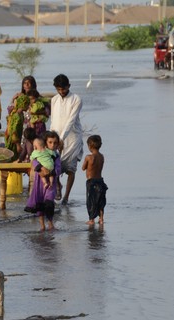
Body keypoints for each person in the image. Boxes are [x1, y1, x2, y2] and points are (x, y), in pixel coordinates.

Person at [49, 74, 84, 205]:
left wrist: (62, 138)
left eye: (63, 89)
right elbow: (53, 120)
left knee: (70, 169)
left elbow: (71, 120)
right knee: (54, 166)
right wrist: (53, 138)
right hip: (56, 139)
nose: (61, 92)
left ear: (69, 86)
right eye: (58, 89)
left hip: (72, 139)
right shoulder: (54, 100)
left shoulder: (76, 99)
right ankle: (57, 186)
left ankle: (66, 197)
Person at [82, 134, 108, 227]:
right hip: (100, 181)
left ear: (89, 146)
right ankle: (101, 219)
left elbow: (83, 168)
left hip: (91, 182)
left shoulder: (89, 157)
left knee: (91, 200)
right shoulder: (102, 157)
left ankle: (91, 219)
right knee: (101, 200)